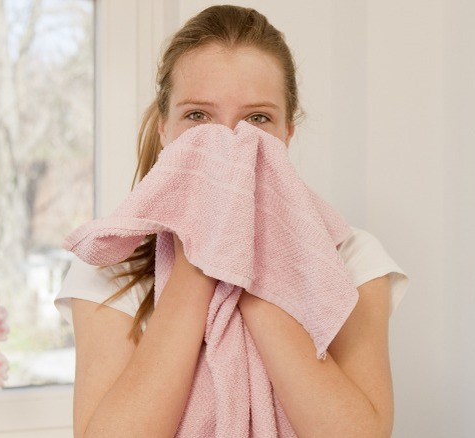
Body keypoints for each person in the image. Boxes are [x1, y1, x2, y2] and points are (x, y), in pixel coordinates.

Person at [55, 5, 408, 437]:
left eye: (257, 119)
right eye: (198, 117)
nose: (227, 145)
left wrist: (251, 261)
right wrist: (198, 264)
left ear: (286, 134)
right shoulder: (110, 268)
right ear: (164, 128)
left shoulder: (352, 259)